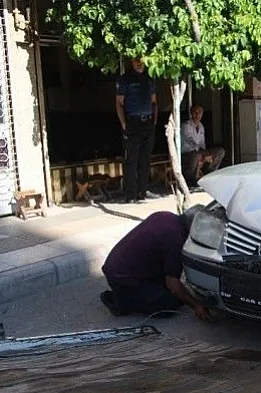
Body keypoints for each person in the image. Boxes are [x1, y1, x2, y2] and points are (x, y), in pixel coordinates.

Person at [100, 205, 211, 320]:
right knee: (168, 305)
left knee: (173, 293)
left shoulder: (166, 215)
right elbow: (172, 282)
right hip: (123, 278)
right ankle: (120, 302)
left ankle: (126, 294)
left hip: (118, 267)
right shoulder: (176, 238)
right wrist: (196, 306)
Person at [116, 58, 158, 203]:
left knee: (145, 160)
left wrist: (154, 121)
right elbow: (119, 103)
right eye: (136, 60)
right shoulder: (125, 79)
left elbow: (154, 102)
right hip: (132, 123)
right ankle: (131, 195)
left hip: (147, 123)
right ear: (132, 62)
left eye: (142, 60)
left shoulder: (149, 78)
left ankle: (143, 192)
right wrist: (124, 125)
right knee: (131, 161)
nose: (139, 63)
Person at [180, 105, 226, 186]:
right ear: (191, 113)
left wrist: (206, 155)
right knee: (197, 155)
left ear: (202, 114)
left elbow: (202, 143)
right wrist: (204, 154)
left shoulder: (201, 126)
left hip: (200, 152)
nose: (197, 114)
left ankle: (210, 173)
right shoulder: (185, 125)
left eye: (199, 112)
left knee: (220, 151)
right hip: (186, 154)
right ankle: (192, 179)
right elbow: (191, 142)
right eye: (195, 112)